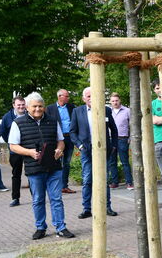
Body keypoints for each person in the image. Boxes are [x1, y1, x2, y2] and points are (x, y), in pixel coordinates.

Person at [8, 92, 75, 240]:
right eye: (34, 106)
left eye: (40, 106)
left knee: (56, 199)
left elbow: (61, 140)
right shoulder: (18, 123)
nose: (38, 109)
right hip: (34, 168)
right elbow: (13, 146)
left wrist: (60, 149)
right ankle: (40, 227)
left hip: (54, 166)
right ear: (27, 107)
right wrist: (29, 152)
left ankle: (61, 227)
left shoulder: (52, 121)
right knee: (38, 199)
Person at [70, 87, 119, 218]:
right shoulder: (77, 111)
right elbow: (72, 132)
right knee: (87, 179)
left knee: (104, 178)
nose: (91, 98)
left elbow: (114, 130)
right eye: (88, 96)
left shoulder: (106, 110)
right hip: (86, 150)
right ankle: (87, 208)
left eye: (93, 95)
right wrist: (79, 146)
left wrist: (114, 145)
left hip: (104, 150)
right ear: (83, 98)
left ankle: (107, 207)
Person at [46, 89, 76, 194]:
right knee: (56, 162)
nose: (68, 98)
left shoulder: (72, 107)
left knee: (66, 163)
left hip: (69, 137)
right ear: (60, 96)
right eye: (66, 96)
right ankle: (55, 186)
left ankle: (64, 186)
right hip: (57, 139)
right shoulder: (50, 109)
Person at [1, 96, 28, 206]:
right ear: (14, 105)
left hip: (28, 149)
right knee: (16, 174)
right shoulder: (7, 117)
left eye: (23, 104)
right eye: (19, 105)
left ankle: (36, 196)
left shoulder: (29, 115)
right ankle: (15, 198)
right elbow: (3, 132)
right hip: (15, 151)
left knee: (32, 173)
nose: (21, 107)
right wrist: (12, 143)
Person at [108, 92, 133, 190]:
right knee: (112, 162)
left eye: (116, 100)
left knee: (125, 161)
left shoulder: (127, 111)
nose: (115, 103)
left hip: (122, 138)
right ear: (110, 102)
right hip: (111, 139)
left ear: (120, 101)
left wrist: (130, 138)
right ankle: (114, 182)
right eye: (113, 101)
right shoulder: (108, 111)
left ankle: (129, 182)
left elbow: (132, 125)